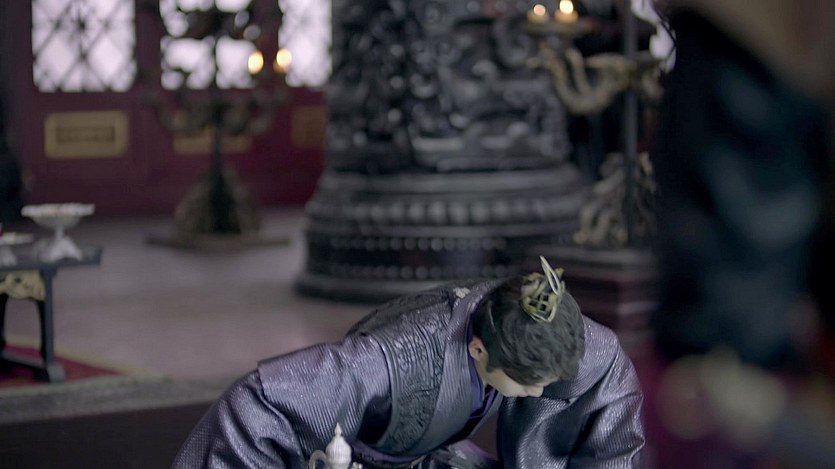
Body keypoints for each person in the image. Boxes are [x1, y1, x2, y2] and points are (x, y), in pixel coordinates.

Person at [173, 257, 645, 468]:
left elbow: (609, 379)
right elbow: (259, 401)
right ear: (479, 349)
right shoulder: (398, 358)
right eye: (525, 384)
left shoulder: (552, 332)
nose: (539, 395)